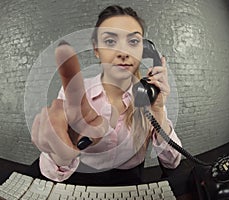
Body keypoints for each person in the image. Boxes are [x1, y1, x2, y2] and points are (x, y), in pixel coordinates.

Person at [31, 5, 182, 184]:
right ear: (97, 50)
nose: (123, 53)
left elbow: (172, 163)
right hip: (81, 177)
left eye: (133, 42)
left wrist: (158, 112)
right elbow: (52, 173)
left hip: (130, 180)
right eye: (110, 42)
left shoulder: (149, 96)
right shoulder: (74, 96)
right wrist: (60, 157)